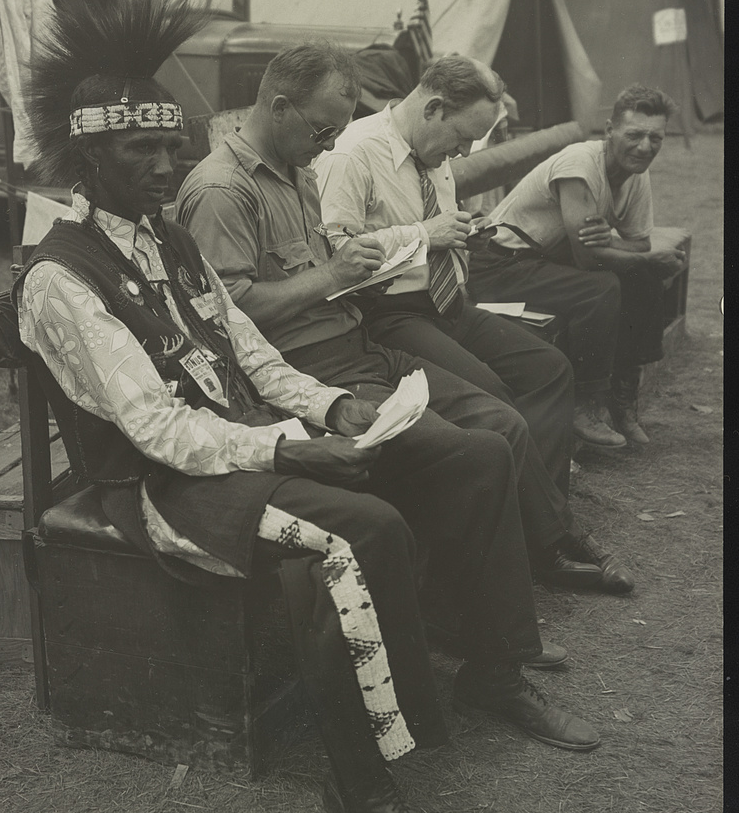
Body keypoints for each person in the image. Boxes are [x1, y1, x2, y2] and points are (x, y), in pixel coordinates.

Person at [17, 0, 599, 813]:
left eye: (173, 146)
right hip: (163, 488)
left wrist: (333, 410)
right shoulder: (59, 277)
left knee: (453, 458)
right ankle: (362, 791)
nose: (168, 164)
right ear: (88, 156)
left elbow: (251, 356)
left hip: (241, 445)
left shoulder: (170, 241)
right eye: (143, 149)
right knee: (358, 532)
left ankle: (484, 671)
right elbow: (156, 428)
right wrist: (290, 448)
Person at [178, 44, 631, 596]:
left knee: (528, 389)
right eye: (322, 132)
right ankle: (501, 576)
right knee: (487, 422)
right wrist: (362, 263)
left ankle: (540, 542)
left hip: (368, 333)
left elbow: (328, 264)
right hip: (351, 335)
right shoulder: (237, 186)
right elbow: (232, 315)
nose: (327, 146)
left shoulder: (297, 169)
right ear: (279, 108)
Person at [312, 53, 634, 594]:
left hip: (444, 301)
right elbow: (335, 257)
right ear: (434, 108)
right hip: (383, 314)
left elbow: (440, 232)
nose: (462, 154)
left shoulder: (431, 152)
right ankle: (552, 541)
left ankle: (535, 527)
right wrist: (423, 236)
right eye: (462, 139)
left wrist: (459, 239)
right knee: (492, 394)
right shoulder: (352, 154)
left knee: (548, 368)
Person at [466, 84, 685, 446]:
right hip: (498, 264)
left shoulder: (635, 171)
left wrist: (615, 244)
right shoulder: (580, 165)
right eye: (634, 135)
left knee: (640, 279)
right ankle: (584, 401)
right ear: (610, 130)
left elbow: (638, 240)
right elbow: (588, 258)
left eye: (655, 138)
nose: (645, 147)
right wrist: (640, 256)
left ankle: (623, 400)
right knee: (600, 287)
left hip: (542, 262)